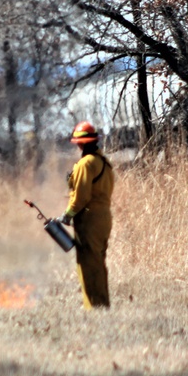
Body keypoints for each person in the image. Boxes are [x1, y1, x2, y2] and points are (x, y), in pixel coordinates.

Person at [60, 121, 115, 309]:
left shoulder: (85, 163)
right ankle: (102, 304)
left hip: (90, 219)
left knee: (88, 265)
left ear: (81, 143)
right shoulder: (103, 162)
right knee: (98, 263)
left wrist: (67, 214)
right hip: (104, 217)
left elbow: (82, 197)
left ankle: (94, 307)